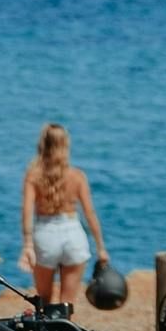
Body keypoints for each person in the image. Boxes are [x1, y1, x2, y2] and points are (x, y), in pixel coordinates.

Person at [21, 122, 106, 306]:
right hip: (73, 234)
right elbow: (89, 213)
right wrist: (101, 248)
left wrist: (27, 244)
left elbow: (27, 212)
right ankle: (65, 325)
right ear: (66, 144)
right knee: (67, 304)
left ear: (42, 144)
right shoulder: (77, 176)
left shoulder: (33, 176)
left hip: (45, 235)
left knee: (44, 302)